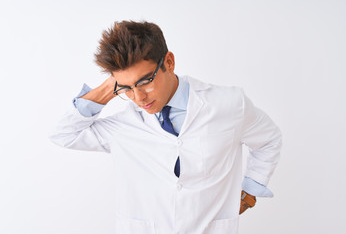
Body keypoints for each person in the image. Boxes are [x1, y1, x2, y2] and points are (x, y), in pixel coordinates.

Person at [49, 20, 282, 234]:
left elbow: (269, 139)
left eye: (145, 81)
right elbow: (63, 134)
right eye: (126, 88)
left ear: (169, 62)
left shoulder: (228, 104)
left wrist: (251, 190)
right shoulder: (124, 125)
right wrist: (111, 85)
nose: (138, 97)